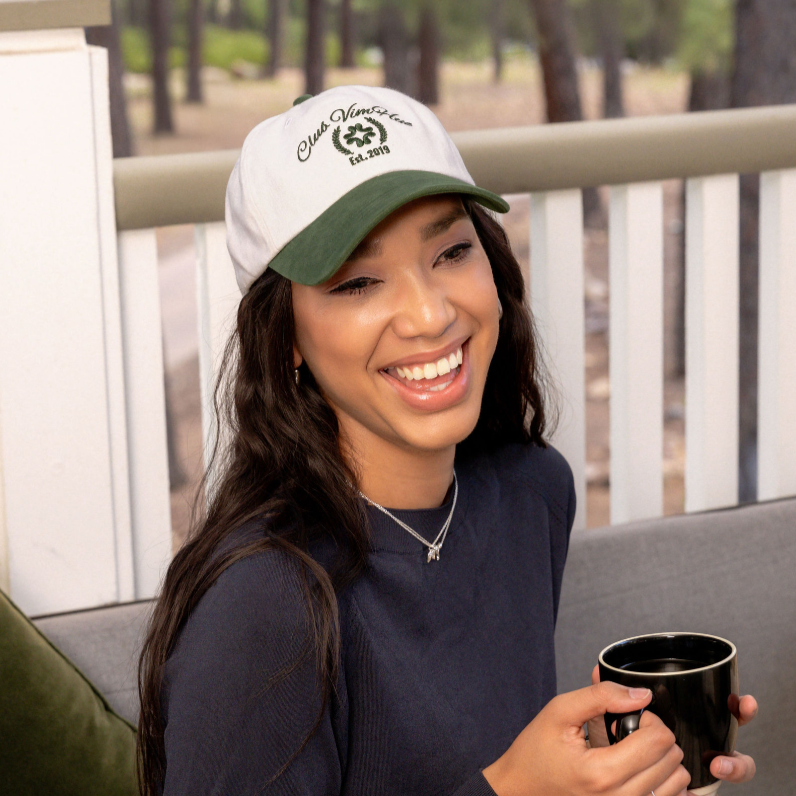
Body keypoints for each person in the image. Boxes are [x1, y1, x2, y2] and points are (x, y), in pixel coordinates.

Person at [136, 85, 758, 796]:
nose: (430, 314)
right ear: (285, 340)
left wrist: (605, 761)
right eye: (358, 282)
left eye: (451, 251)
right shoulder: (261, 609)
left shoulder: (531, 494)